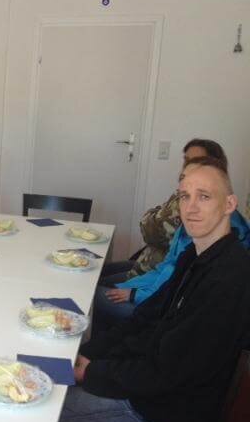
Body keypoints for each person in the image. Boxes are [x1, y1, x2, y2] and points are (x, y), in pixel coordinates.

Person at [56, 157, 250, 422]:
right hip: (146, 386)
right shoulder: (193, 256)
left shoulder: (229, 278)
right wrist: (86, 354)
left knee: (44, 409)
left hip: (162, 415)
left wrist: (92, 372)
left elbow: (168, 371)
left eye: (204, 197)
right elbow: (142, 321)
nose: (191, 208)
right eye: (185, 197)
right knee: (47, 379)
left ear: (229, 204)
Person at [93, 139, 232, 329]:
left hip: (156, 307)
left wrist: (134, 294)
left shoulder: (208, 237)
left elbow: (170, 281)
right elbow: (164, 266)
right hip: (149, 278)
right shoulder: (184, 214)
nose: (191, 207)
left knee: (89, 292)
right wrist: (129, 289)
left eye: (198, 162)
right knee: (95, 275)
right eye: (186, 160)